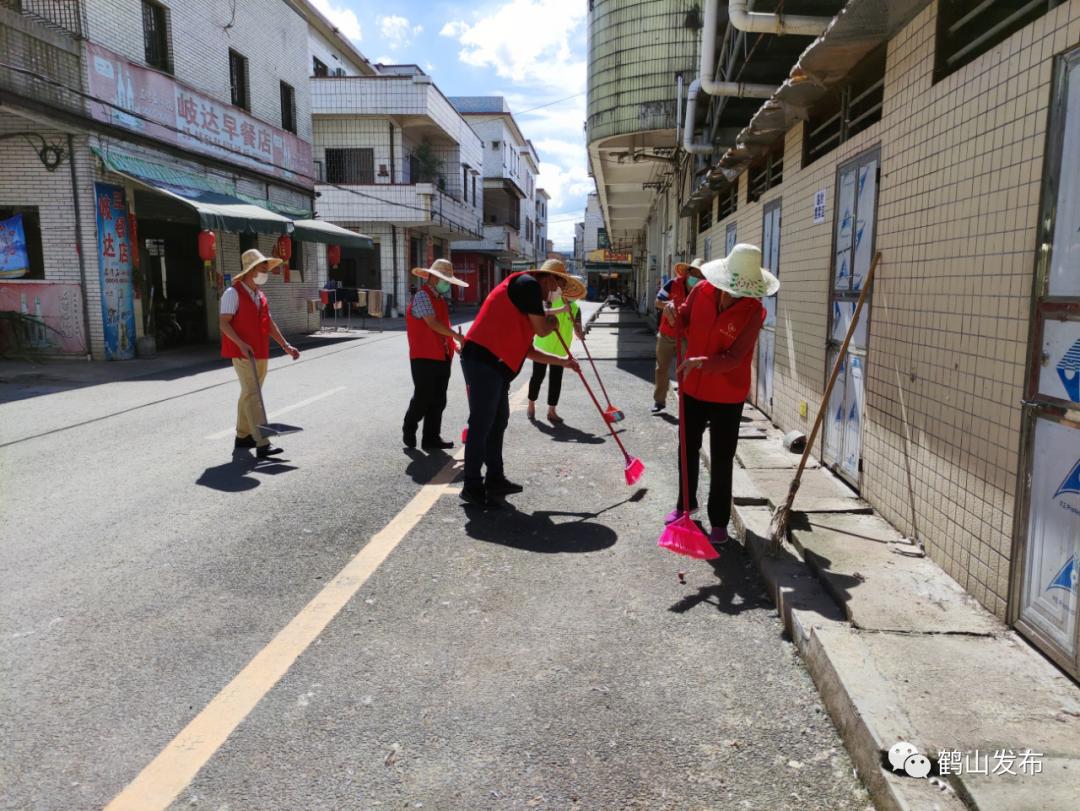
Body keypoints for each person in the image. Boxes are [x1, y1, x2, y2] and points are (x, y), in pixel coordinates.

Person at [664, 244, 779, 546]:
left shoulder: (754, 311)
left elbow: (735, 357)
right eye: (732, 286)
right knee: (686, 448)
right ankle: (686, 505)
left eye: (742, 289)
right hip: (693, 386)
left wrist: (702, 362)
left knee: (722, 457)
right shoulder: (701, 290)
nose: (734, 294)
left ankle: (718, 521)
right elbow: (684, 319)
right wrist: (674, 315)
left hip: (728, 392)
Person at [460, 259, 586, 509]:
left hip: (497, 366)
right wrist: (554, 322)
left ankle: (494, 478)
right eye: (559, 285)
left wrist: (563, 361)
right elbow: (541, 330)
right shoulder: (527, 284)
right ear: (548, 279)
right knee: (481, 424)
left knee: (498, 423)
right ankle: (471, 485)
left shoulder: (529, 300)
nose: (558, 292)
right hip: (483, 360)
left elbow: (529, 349)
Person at [219, 248, 301, 458]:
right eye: (262, 268)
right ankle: (262, 442)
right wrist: (240, 343)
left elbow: (269, 324)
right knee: (253, 394)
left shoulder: (260, 295)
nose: (265, 272)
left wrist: (285, 345)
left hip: (261, 351)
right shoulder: (232, 293)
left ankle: (243, 436)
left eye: (266, 268)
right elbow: (224, 323)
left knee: (249, 393)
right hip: (242, 352)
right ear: (251, 270)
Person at [402, 259, 467, 450]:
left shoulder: (440, 299)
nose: (446, 284)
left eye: (448, 280)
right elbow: (432, 323)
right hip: (423, 356)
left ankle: (431, 438)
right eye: (443, 279)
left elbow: (443, 329)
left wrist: (454, 344)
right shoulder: (423, 296)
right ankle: (409, 426)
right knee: (423, 397)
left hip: (442, 356)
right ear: (431, 277)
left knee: (439, 400)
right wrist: (456, 336)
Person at [527, 277, 585, 423]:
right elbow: (542, 312)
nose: (571, 296)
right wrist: (562, 309)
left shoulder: (576, 309)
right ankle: (531, 404)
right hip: (543, 347)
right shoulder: (551, 299)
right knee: (537, 377)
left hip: (561, 350)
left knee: (556, 380)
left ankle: (552, 411)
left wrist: (579, 331)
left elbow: (578, 329)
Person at [653, 257, 704, 414]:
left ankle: (688, 402)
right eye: (693, 273)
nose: (696, 277)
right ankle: (659, 401)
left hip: (687, 335)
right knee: (661, 367)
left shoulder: (704, 289)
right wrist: (667, 305)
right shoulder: (673, 284)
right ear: (688, 272)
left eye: (700, 275)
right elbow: (657, 301)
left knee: (687, 368)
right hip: (667, 333)